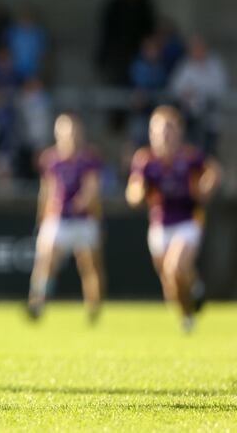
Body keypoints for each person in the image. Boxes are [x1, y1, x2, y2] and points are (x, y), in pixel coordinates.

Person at [126, 105, 220, 332]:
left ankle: (189, 313)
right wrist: (138, 192)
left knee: (174, 266)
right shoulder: (145, 160)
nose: (163, 135)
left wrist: (206, 187)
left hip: (188, 221)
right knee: (171, 285)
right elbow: (133, 192)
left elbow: (213, 170)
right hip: (159, 225)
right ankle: (191, 299)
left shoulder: (189, 156)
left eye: (169, 129)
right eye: (158, 130)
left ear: (178, 131)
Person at [28, 114, 104, 323]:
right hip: (58, 218)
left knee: (89, 266)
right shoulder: (50, 159)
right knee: (45, 260)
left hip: (83, 220)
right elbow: (47, 190)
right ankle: (37, 302)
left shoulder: (89, 158)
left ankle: (93, 307)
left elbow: (92, 189)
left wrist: (81, 203)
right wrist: (42, 217)